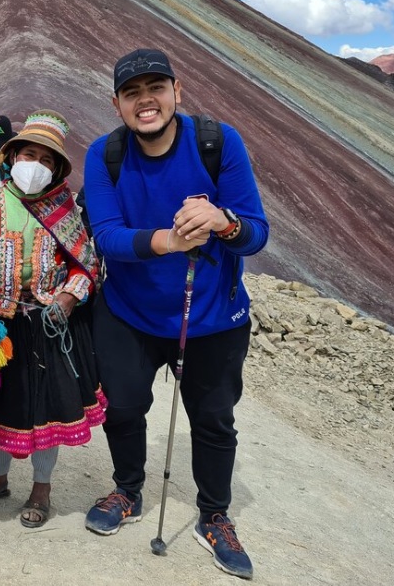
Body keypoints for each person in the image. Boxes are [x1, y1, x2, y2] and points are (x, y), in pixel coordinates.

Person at [82, 48, 269, 580]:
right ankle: (129, 491)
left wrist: (224, 222)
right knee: (121, 406)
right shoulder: (106, 154)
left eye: (156, 88)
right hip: (128, 312)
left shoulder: (218, 143)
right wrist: (168, 240)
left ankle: (215, 515)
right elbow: (108, 236)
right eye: (132, 92)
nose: (146, 101)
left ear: (176, 91)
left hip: (212, 317)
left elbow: (255, 232)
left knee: (212, 420)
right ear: (117, 103)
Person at [0, 110, 106, 528]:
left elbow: (87, 265)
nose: (37, 165)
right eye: (30, 154)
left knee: (45, 410)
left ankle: (42, 488)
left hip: (49, 324)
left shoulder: (62, 208)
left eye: (47, 160)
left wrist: (70, 296)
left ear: (56, 170)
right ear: (12, 156)